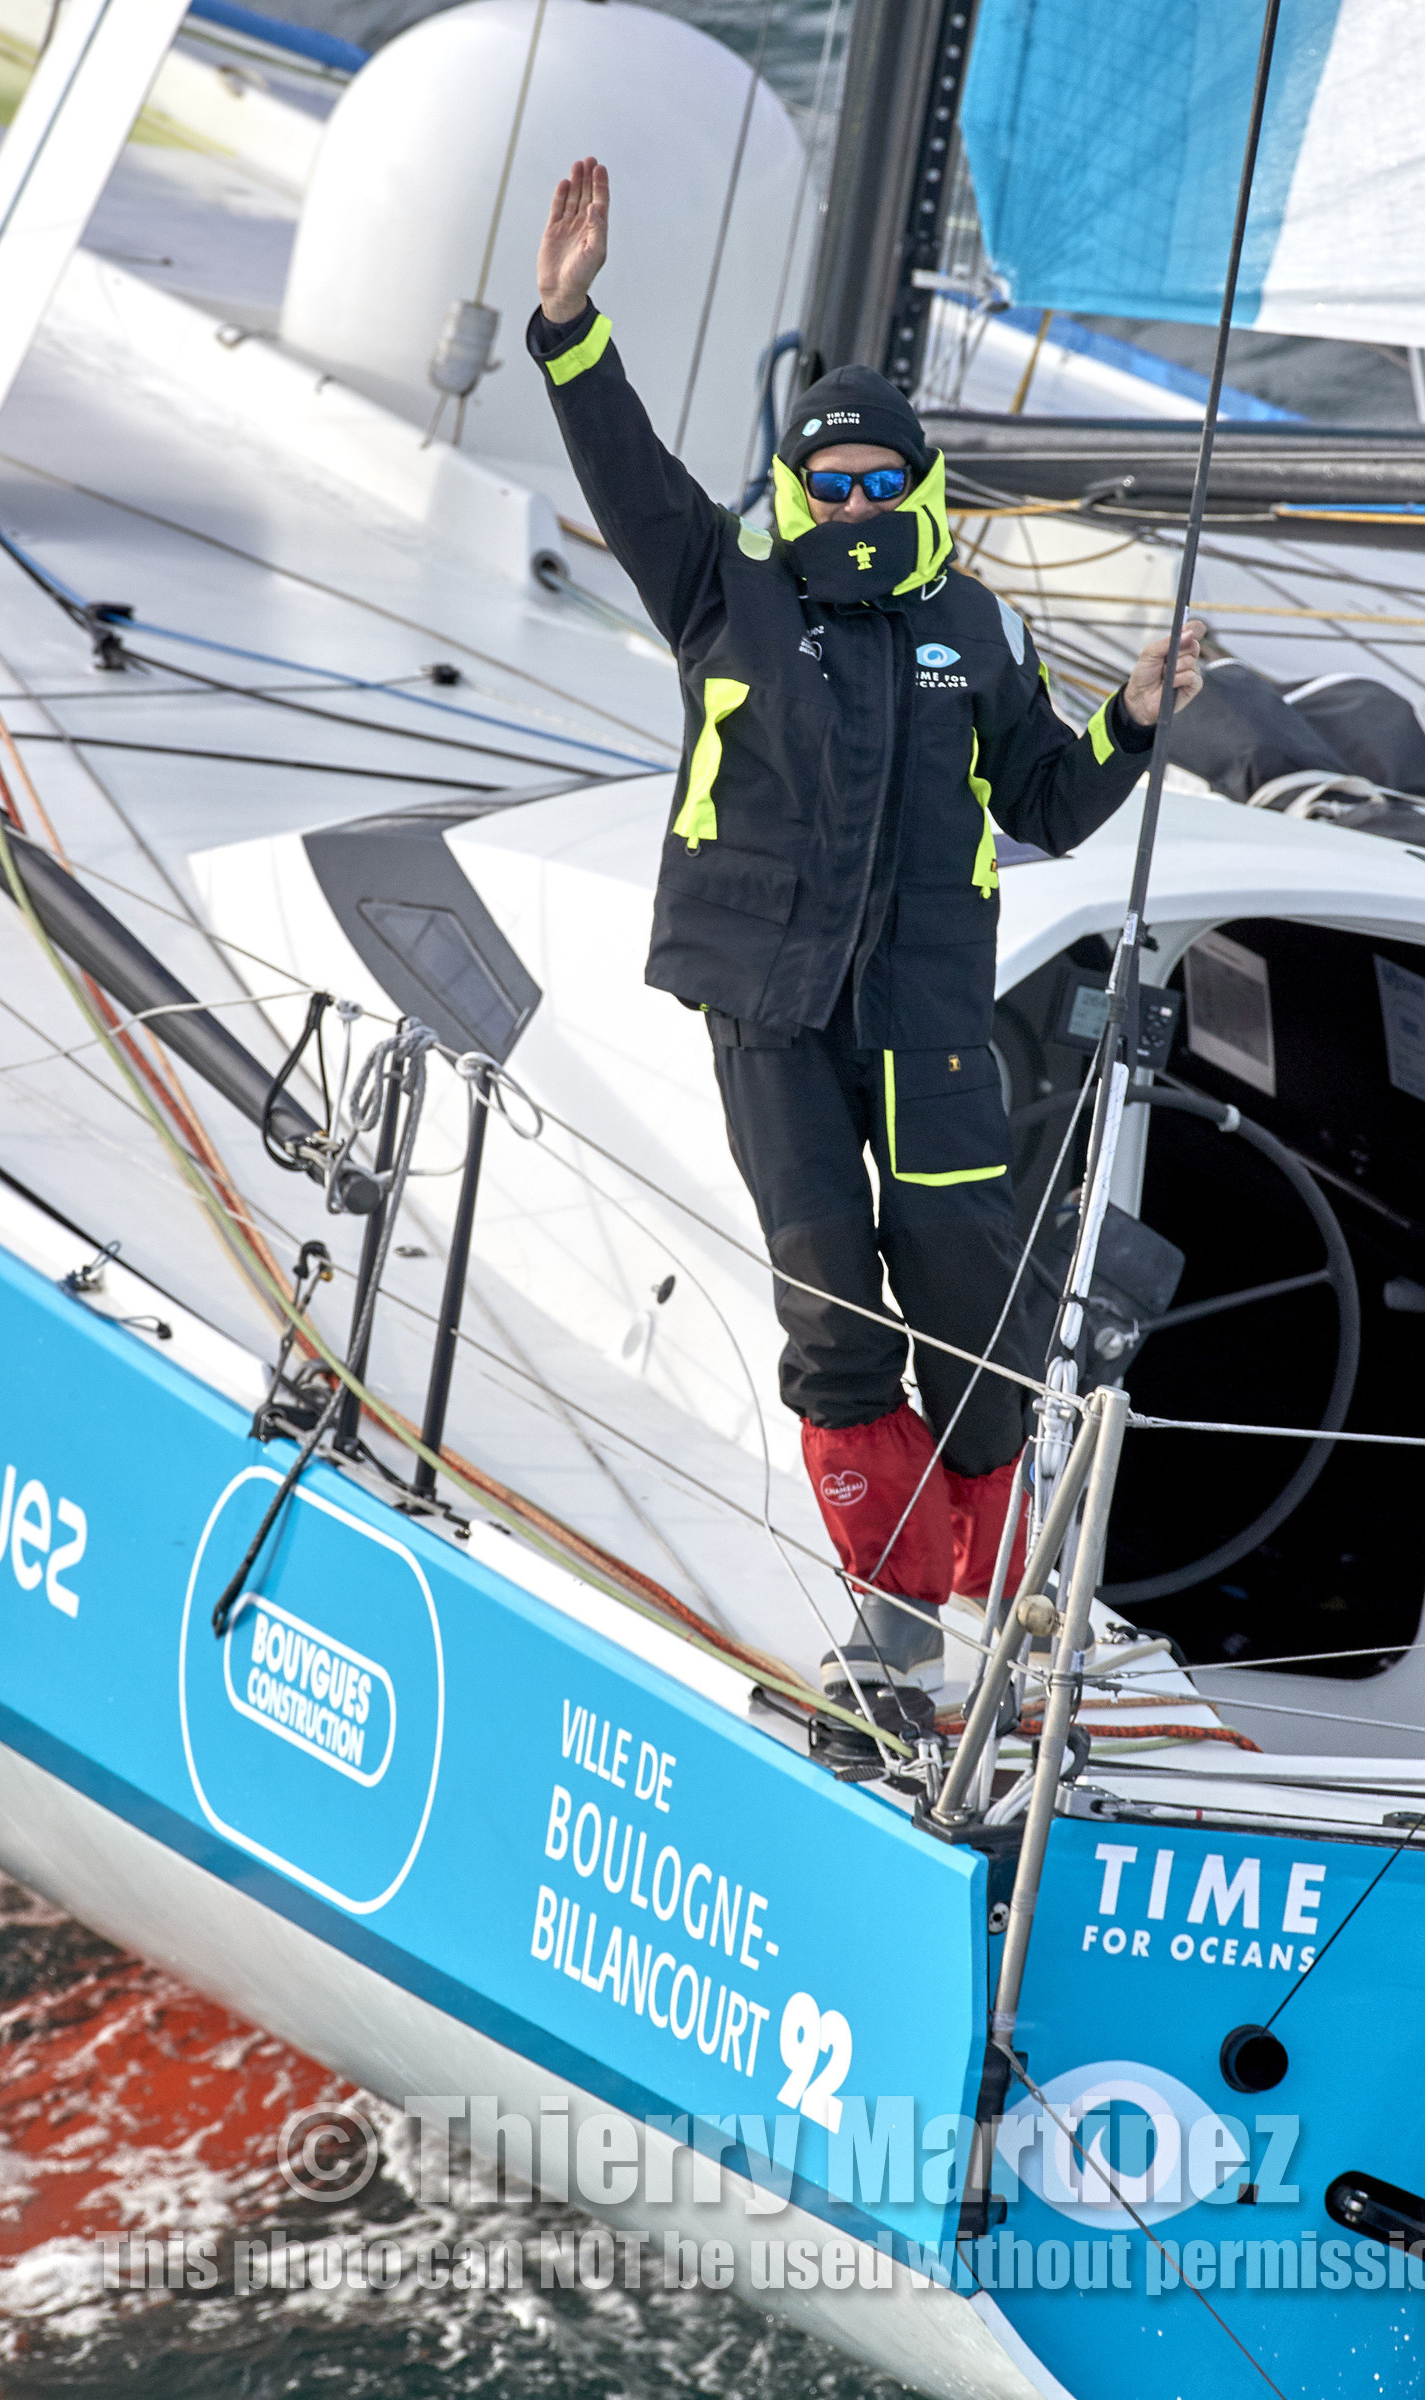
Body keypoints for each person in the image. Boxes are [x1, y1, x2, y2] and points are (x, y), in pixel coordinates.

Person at [530, 158, 1203, 1709]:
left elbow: (1048, 797)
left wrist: (1135, 718)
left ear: (917, 491)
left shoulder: (975, 626)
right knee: (831, 1309)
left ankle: (1004, 1594)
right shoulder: (728, 589)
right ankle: (894, 1624)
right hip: (771, 1014)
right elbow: (628, 472)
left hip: (929, 1015)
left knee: (975, 1305)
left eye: (876, 484)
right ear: (793, 489)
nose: (849, 504)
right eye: (826, 482)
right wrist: (569, 324)